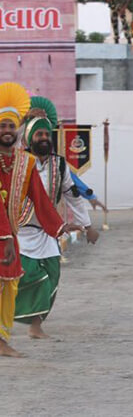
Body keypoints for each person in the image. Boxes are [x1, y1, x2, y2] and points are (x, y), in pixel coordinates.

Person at [14, 97, 100, 339]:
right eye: (38, 135)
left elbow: (73, 197)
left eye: (46, 134)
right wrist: (25, 119)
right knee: (29, 277)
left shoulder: (59, 165)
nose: (43, 138)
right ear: (29, 138)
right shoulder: (19, 163)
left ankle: (36, 326)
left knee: (51, 278)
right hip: (21, 231)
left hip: (49, 233)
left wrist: (87, 226)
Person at [0, 83, 69, 357]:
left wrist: (59, 227)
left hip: (11, 236)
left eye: (10, 126)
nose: (6, 130)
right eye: (2, 125)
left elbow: (40, 199)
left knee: (9, 286)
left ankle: (2, 340)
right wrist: (5, 236)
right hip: (7, 235)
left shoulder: (24, 162)